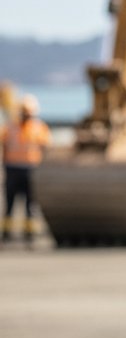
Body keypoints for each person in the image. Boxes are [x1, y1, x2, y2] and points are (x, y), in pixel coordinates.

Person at [2, 95, 51, 244]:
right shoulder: (10, 127)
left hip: (31, 169)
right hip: (12, 169)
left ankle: (30, 234)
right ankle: (6, 233)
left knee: (30, 204)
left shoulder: (38, 128)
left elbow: (46, 146)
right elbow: (3, 145)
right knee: (10, 203)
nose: (26, 115)